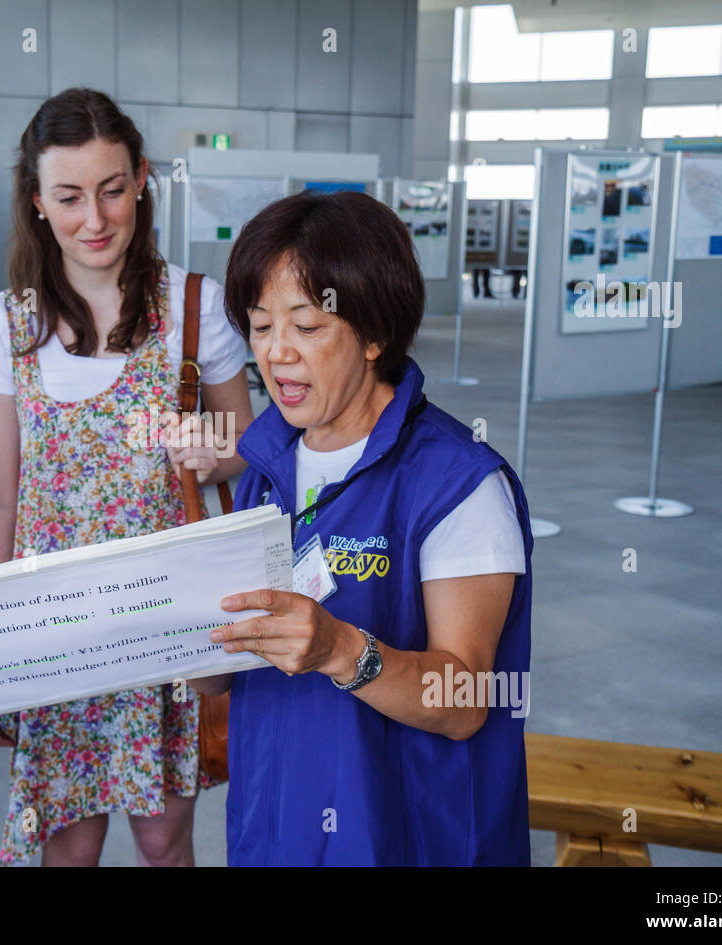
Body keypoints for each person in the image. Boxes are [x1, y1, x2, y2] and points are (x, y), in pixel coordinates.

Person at [190, 190, 533, 866]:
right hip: (277, 824)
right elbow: (226, 675)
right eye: (260, 326)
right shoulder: (267, 464)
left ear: (376, 334)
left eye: (307, 326)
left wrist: (341, 650)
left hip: (404, 837)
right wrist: (172, 635)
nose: (277, 353)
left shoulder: (456, 483)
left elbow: (464, 701)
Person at [0, 88, 254, 866]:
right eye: (68, 197)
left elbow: (250, 448)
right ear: (36, 201)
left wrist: (209, 442)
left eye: (112, 190)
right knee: (70, 843)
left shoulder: (194, 307)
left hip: (168, 614)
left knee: (164, 838)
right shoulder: (5, 325)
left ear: (142, 182)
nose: (94, 219)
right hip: (58, 626)